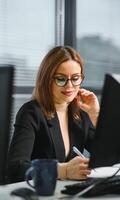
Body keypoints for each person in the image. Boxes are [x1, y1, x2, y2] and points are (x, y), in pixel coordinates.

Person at [6, 46, 100, 183]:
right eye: (61, 79)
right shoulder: (31, 113)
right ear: (47, 80)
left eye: (75, 78)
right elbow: (16, 168)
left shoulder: (81, 113)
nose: (69, 86)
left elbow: (113, 156)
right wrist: (64, 170)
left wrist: (96, 115)